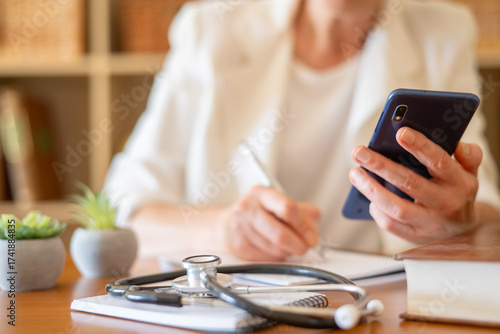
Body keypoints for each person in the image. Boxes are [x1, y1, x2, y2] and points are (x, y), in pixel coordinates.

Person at [104, 0, 500, 261]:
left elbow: (489, 214)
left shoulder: (443, 33)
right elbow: (124, 213)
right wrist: (226, 229)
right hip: (238, 305)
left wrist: (459, 221)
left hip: (379, 306)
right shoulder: (211, 29)